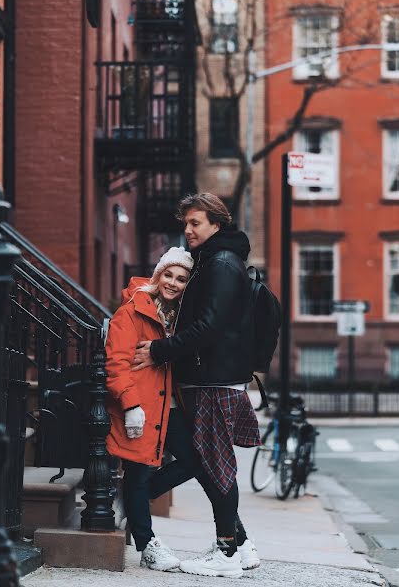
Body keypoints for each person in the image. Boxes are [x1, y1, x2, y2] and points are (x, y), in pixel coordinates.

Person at [133, 193, 262, 578]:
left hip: (214, 380)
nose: (187, 230)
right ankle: (238, 544)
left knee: (217, 465)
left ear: (216, 225)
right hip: (212, 379)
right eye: (186, 223)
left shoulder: (221, 263)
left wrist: (159, 350)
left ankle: (226, 553)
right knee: (210, 462)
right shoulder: (215, 261)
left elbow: (210, 327)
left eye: (195, 223)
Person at [105, 246, 194, 571]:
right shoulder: (131, 312)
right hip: (140, 407)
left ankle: (132, 501)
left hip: (168, 408)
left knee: (195, 459)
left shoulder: (182, 318)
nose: (173, 282)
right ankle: (147, 546)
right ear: (158, 276)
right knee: (139, 473)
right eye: (168, 275)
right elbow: (116, 364)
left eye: (181, 278)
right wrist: (130, 405)